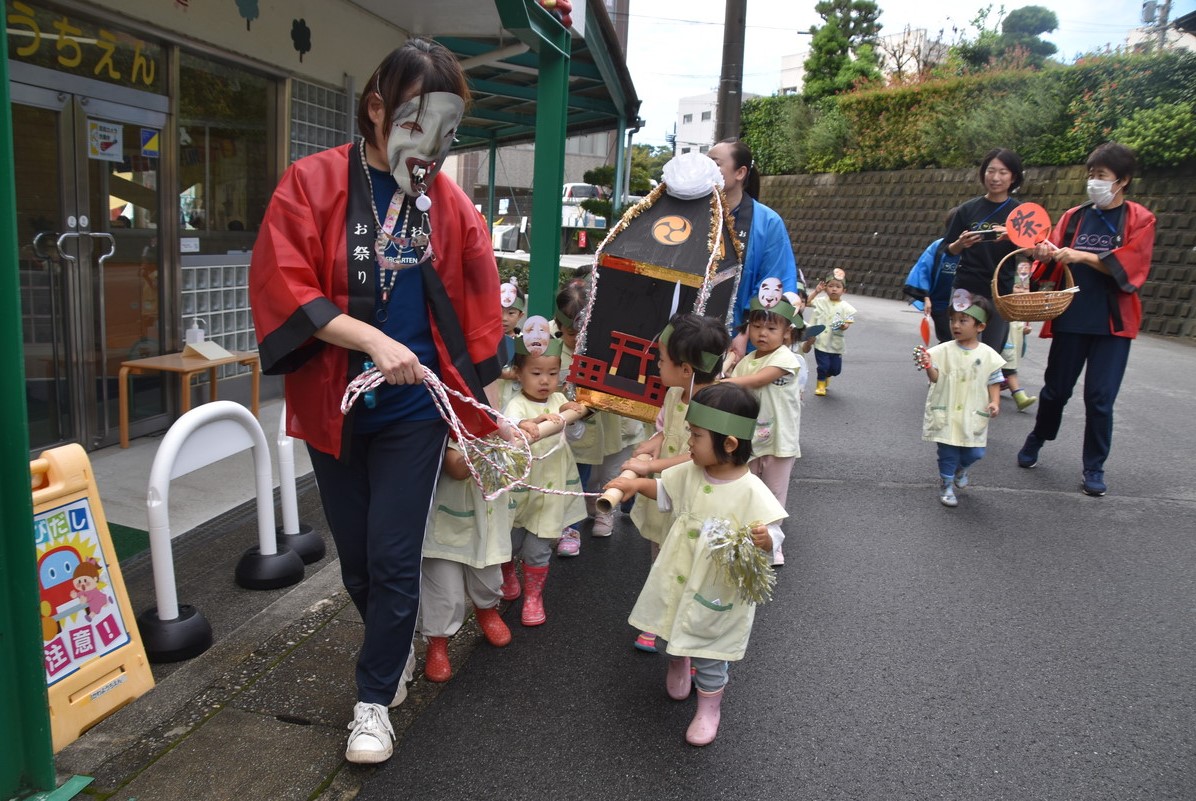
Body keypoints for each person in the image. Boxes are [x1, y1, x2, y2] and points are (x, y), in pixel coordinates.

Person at [249, 39, 502, 765]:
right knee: (357, 560)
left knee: (395, 556)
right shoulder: (313, 181)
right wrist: (370, 339)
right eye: (421, 120)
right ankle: (388, 656)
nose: (435, 144)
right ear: (378, 109)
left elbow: (477, 300)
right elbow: (284, 282)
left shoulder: (446, 203)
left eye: (448, 128)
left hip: (413, 413)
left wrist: (477, 408)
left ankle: (372, 699)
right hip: (334, 401)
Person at [605, 383, 786, 747]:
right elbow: (667, 493)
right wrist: (638, 484)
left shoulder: (752, 492)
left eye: (697, 435)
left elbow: (773, 535)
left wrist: (767, 540)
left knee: (710, 651)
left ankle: (708, 708)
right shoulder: (691, 471)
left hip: (715, 588)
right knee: (672, 626)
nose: (689, 442)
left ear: (730, 444)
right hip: (676, 571)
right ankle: (676, 662)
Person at [1017, 142, 1156, 497]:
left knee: (1100, 398)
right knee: (1055, 390)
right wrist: (1045, 253)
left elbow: (1133, 264)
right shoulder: (1074, 216)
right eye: (1091, 175)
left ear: (1122, 180)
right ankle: (1039, 437)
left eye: (1102, 176)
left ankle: (1094, 465)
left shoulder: (1140, 218)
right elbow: (1048, 261)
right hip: (1072, 316)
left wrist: (1081, 254)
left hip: (1113, 322)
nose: (1094, 182)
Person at [622, 313, 730, 653]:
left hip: (692, 497)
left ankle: (685, 621)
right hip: (665, 494)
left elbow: (694, 456)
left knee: (687, 562)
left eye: (662, 360)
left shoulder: (713, 405)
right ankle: (657, 618)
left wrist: (652, 464)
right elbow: (666, 431)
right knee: (660, 558)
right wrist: (650, 445)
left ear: (686, 368)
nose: (656, 365)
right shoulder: (674, 394)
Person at [502, 325, 587, 625]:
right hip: (520, 491)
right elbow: (509, 431)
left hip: (549, 491)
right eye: (536, 373)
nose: (545, 381)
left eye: (552, 373)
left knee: (538, 550)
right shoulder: (514, 405)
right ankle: (507, 571)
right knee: (510, 543)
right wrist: (530, 422)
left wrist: (571, 416)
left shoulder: (559, 401)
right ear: (518, 373)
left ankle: (533, 597)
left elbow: (575, 437)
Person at [417, 442, 514, 683]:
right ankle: (437, 642)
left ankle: (487, 611)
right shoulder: (446, 422)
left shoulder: (497, 418)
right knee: (443, 591)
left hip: (488, 515)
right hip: (445, 519)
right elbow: (458, 469)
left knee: (488, 577)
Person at [723, 292, 804, 565]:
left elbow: (758, 380)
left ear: (786, 335)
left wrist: (721, 382)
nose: (763, 333)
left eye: (771, 328)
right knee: (750, 488)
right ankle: (749, 537)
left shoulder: (785, 359)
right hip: (750, 438)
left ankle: (773, 542)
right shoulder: (745, 362)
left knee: (774, 493)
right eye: (756, 327)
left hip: (780, 440)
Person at [707, 139, 799, 358]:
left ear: (740, 172)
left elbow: (773, 282)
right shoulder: (693, 212)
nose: (707, 168)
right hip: (689, 330)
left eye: (715, 163)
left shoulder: (767, 222)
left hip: (739, 340)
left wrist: (745, 331)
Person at [941, 148, 1025, 385]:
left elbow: (1033, 251)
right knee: (960, 341)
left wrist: (1013, 236)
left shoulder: (1019, 212)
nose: (995, 177)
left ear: (1014, 177)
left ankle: (984, 397)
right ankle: (955, 390)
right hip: (967, 286)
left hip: (1000, 291)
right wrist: (960, 243)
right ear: (983, 174)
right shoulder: (967, 209)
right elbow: (946, 249)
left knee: (991, 348)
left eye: (1002, 172)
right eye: (990, 171)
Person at [914, 293, 1005, 507]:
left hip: (973, 412)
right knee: (947, 451)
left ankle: (961, 469)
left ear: (980, 327)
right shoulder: (942, 350)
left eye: (963, 320)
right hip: (947, 411)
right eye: (953, 320)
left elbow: (994, 380)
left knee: (975, 452)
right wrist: (928, 366)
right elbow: (936, 378)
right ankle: (946, 485)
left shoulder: (988, 354)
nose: (956, 325)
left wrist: (995, 402)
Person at [902, 209, 961, 344]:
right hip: (939, 302)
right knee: (947, 339)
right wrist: (926, 297)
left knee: (962, 339)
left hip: (963, 302)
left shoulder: (972, 246)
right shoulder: (938, 246)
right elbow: (923, 270)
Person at [804, 273, 856, 396]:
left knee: (835, 370)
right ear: (825, 288)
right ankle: (820, 384)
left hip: (836, 344)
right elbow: (806, 302)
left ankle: (827, 376)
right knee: (823, 366)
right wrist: (816, 292)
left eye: (838, 286)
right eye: (831, 286)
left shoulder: (847, 307)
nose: (834, 289)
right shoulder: (820, 302)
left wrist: (843, 326)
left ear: (844, 290)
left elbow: (848, 323)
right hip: (821, 341)